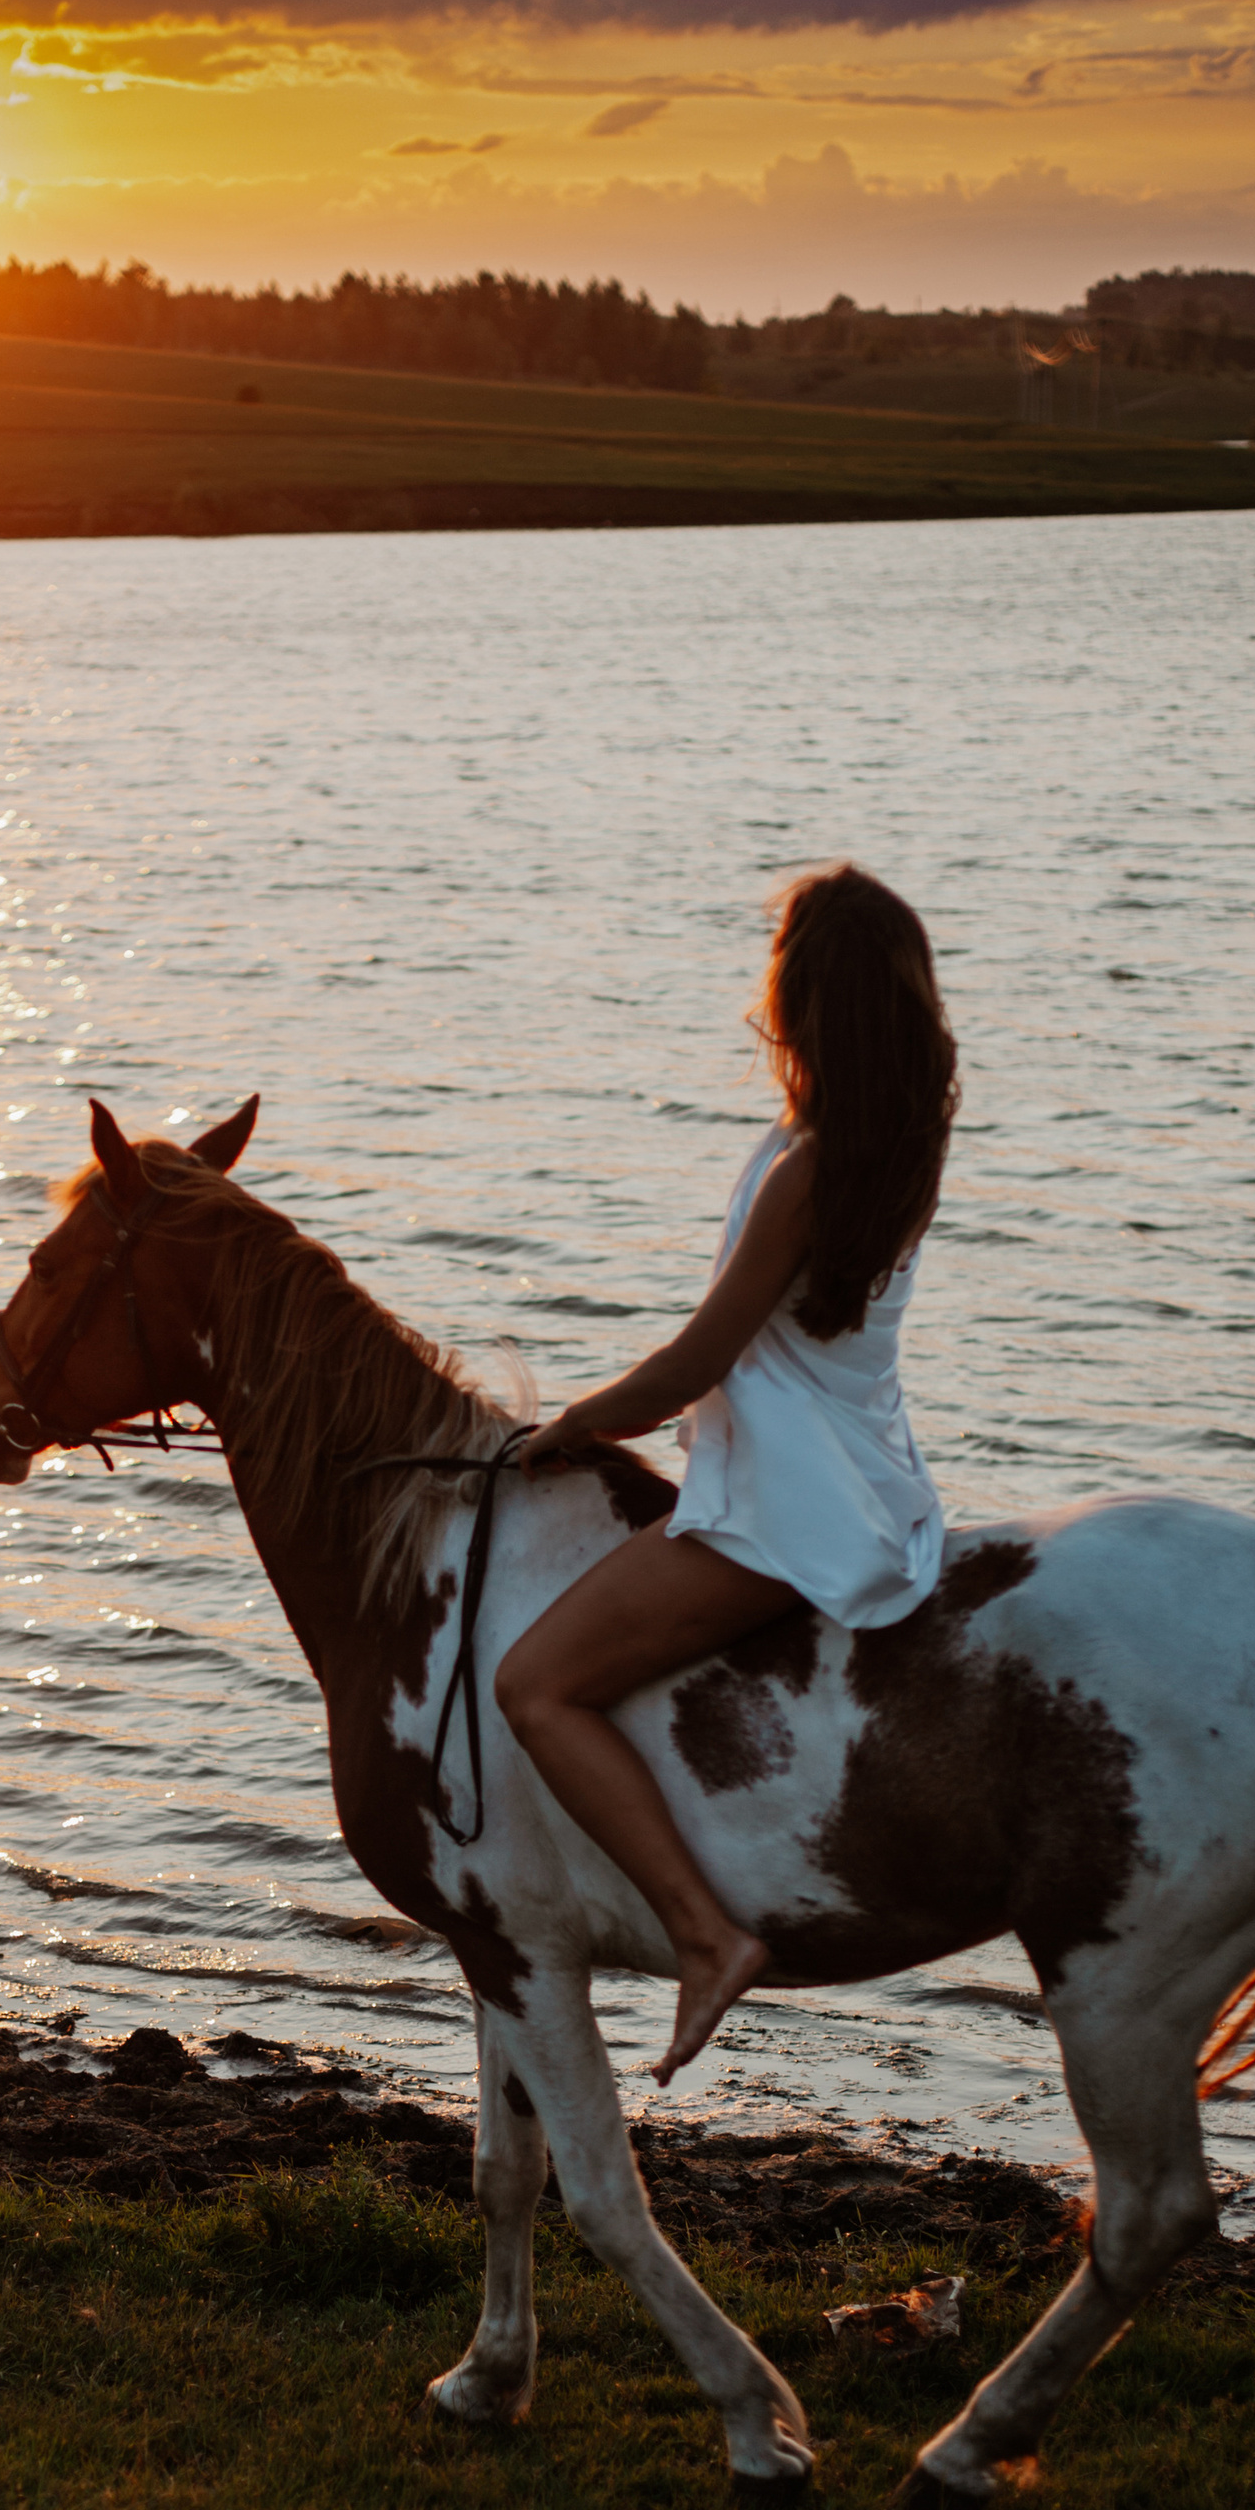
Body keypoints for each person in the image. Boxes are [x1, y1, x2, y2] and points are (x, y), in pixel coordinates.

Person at [495, 863, 958, 2083]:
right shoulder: (895, 1137)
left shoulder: (807, 1165)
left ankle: (705, 1937)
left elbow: (699, 1355)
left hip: (781, 1506)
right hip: (865, 1471)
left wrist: (569, 1427)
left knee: (536, 1684)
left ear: (804, 999)